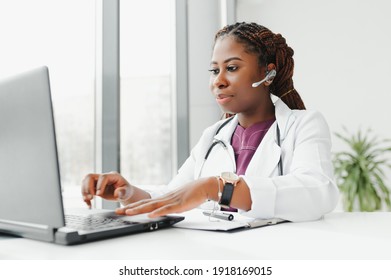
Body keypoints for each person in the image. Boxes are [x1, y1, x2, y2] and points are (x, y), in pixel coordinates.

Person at [82, 22, 339, 222]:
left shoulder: (304, 124)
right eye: (215, 70)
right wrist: (128, 193)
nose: (218, 80)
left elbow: (317, 192)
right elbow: (175, 194)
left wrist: (217, 188)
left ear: (268, 73)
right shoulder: (213, 135)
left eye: (232, 68)